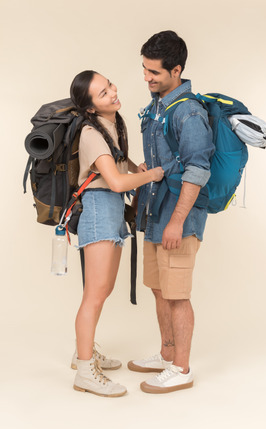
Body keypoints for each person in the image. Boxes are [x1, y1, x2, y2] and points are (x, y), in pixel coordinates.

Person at [127, 31, 215, 393]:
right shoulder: (158, 106)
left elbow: (197, 169)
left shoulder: (190, 112)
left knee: (177, 294)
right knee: (160, 289)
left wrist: (178, 221)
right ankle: (166, 355)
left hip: (179, 218)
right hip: (154, 213)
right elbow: (161, 164)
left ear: (176, 70)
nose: (146, 77)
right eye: (144, 69)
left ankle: (181, 370)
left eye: (154, 73)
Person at [69, 70, 164, 397]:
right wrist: (152, 174)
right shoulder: (91, 132)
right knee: (94, 295)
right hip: (98, 208)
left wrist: (137, 167)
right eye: (103, 93)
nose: (112, 92)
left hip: (111, 209)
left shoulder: (113, 122)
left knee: (103, 289)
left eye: (109, 85)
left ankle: (85, 351)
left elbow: (120, 166)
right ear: (91, 108)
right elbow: (116, 182)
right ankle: (84, 371)